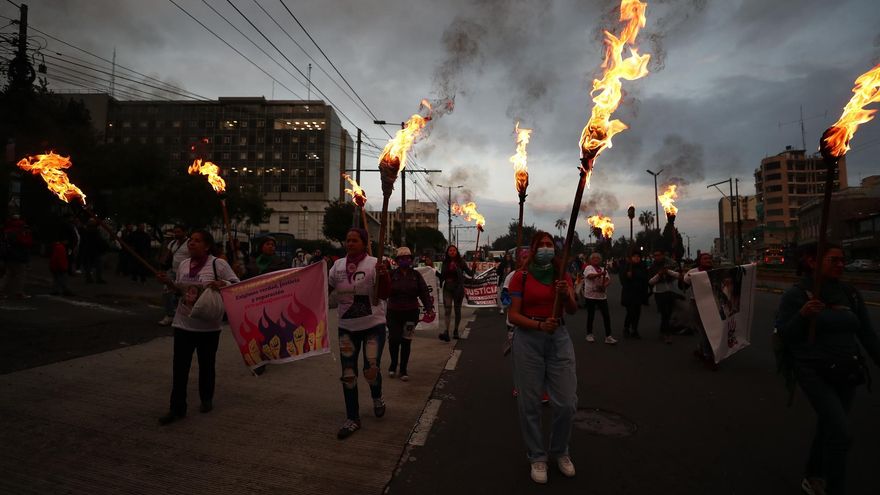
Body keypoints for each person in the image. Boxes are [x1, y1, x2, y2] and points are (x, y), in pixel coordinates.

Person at [776, 244, 880, 495]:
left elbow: (867, 334)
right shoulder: (797, 295)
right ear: (812, 262)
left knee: (830, 426)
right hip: (814, 372)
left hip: (846, 370)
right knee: (841, 433)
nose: (841, 265)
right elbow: (785, 335)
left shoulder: (850, 294)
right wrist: (802, 315)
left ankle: (813, 475)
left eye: (842, 260)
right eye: (834, 260)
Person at [507, 230, 578, 484]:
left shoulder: (563, 275)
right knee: (530, 403)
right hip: (528, 340)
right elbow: (513, 315)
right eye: (542, 244)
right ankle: (537, 455)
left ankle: (560, 451)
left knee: (567, 403)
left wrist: (566, 294)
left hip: (559, 338)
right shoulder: (521, 277)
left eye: (550, 244)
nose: (547, 248)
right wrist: (538, 325)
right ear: (534, 248)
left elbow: (572, 309)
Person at [156, 229, 240, 425]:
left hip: (208, 328)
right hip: (183, 324)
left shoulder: (218, 264)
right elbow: (180, 290)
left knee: (206, 365)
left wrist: (222, 283)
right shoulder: (184, 264)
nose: (191, 243)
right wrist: (169, 283)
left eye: (197, 241)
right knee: (180, 368)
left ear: (207, 246)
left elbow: (236, 284)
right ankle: (177, 408)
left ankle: (206, 398)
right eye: (190, 240)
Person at [328, 228, 391, 439]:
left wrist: (384, 276)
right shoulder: (337, 266)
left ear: (364, 243)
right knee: (348, 374)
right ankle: (353, 418)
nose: (350, 243)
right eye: (348, 240)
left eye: (354, 240)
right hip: (346, 328)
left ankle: (377, 397)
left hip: (373, 327)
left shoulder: (375, 263)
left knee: (370, 369)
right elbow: (325, 289)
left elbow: (385, 294)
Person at [386, 247, 434, 382]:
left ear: (411, 260)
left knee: (406, 341)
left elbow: (424, 292)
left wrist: (429, 308)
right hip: (393, 313)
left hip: (411, 313)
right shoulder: (391, 274)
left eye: (407, 258)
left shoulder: (416, 275)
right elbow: (382, 290)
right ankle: (393, 364)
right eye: (401, 258)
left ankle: (403, 369)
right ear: (397, 261)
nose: (404, 260)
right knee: (394, 339)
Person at [681, 252, 714, 365]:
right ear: (700, 261)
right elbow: (683, 285)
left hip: (712, 304)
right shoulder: (693, 272)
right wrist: (684, 278)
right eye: (705, 258)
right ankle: (707, 355)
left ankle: (701, 349)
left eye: (709, 258)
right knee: (704, 330)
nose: (708, 260)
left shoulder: (715, 272)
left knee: (711, 329)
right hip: (697, 304)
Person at [439, 244, 473, 341]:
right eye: (450, 250)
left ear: (456, 252)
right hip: (447, 288)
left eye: (454, 250)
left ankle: (456, 330)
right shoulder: (445, 262)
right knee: (447, 310)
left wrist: (473, 268)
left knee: (457, 310)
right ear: (447, 252)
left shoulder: (461, 262)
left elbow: (470, 273)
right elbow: (442, 275)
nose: (452, 252)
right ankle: (446, 331)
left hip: (458, 288)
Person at [158, 225, 190, 326]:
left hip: (186, 273)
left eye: (179, 232)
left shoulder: (189, 243)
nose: (176, 234)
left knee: (184, 294)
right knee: (167, 292)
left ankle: (184, 315)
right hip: (173, 271)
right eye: (175, 232)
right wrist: (162, 269)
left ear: (185, 232)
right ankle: (170, 315)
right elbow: (166, 256)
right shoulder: (172, 243)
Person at [583, 252, 617, 344]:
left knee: (606, 315)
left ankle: (608, 336)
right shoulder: (588, 268)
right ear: (590, 260)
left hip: (602, 296)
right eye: (594, 258)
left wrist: (604, 286)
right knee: (591, 315)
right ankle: (589, 334)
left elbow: (608, 280)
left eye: (598, 258)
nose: (596, 260)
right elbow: (590, 276)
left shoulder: (602, 269)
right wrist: (600, 274)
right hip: (590, 296)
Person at [649, 249, 680, 344]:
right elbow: (650, 282)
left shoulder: (669, 264)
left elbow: (678, 275)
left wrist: (668, 271)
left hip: (670, 291)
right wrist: (659, 274)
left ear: (663, 255)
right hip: (659, 292)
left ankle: (663, 331)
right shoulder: (652, 267)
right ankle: (667, 334)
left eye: (659, 255)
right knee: (664, 313)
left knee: (668, 313)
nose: (657, 257)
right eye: (655, 255)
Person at [619, 249, 650, 339]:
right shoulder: (627, 266)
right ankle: (626, 328)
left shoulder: (643, 267)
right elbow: (622, 279)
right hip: (629, 293)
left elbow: (645, 279)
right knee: (630, 312)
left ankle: (634, 329)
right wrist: (627, 276)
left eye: (638, 257)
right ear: (631, 258)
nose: (636, 258)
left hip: (639, 293)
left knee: (637, 312)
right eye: (634, 256)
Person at [1, 215, 32, 299]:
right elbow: (26, 243)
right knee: (21, 275)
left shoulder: (7, 230)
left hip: (9, 255)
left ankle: (1, 290)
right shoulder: (21, 230)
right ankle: (19, 292)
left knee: (8, 274)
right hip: (19, 256)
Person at [80, 218, 108, 284]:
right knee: (96, 265)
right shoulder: (93, 231)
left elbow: (83, 241)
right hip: (93, 250)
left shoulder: (87, 231)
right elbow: (99, 240)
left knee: (90, 266)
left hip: (90, 250)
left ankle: (91, 278)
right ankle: (96, 279)